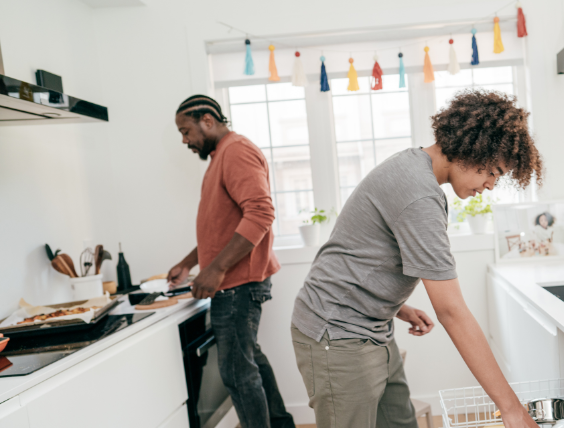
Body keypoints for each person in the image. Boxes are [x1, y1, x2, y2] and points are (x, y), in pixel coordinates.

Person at [291, 90, 543, 428]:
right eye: (494, 172)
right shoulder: (420, 194)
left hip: (372, 326)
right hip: (337, 333)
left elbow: (363, 250)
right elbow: (451, 311)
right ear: (474, 150)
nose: (491, 185)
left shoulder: (414, 166)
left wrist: (396, 306)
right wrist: (511, 408)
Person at [167, 95, 295, 428]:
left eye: (186, 131)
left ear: (207, 120)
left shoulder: (235, 151)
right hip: (235, 281)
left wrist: (217, 268)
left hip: (237, 284)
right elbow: (222, 226)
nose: (184, 140)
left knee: (237, 373)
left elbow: (261, 213)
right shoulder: (220, 156)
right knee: (250, 361)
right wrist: (189, 262)